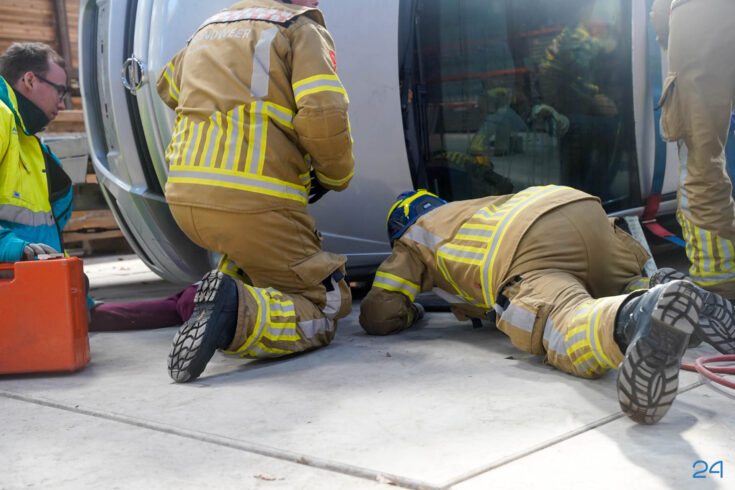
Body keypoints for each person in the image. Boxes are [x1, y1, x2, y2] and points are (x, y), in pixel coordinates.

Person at [359, 186, 735, 425]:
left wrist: (413, 312)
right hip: (582, 209)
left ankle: (632, 317)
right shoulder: (466, 208)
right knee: (611, 282)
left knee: (562, 315)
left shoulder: (411, 239)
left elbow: (378, 314)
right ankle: (653, 289)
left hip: (528, 248)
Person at [156, 0, 354, 383]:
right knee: (325, 304)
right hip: (254, 200)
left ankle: (230, 291)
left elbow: (168, 87)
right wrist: (335, 176)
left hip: (183, 195)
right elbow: (324, 113)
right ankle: (234, 315)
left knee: (256, 261)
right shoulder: (301, 30)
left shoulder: (208, 28)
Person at [650, 0, 735, 299]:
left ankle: (720, 287)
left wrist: (677, 49)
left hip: (700, 23)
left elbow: (660, 15)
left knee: (701, 165)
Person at [0, 43, 71, 264]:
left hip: (36, 279)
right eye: (60, 91)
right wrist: (6, 246)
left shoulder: (31, 144)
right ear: (30, 80)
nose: (62, 105)